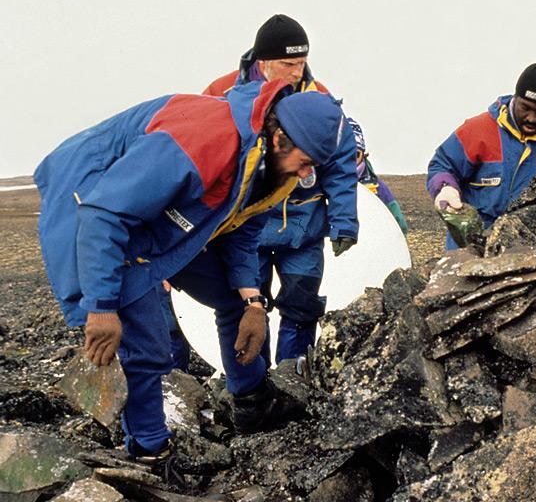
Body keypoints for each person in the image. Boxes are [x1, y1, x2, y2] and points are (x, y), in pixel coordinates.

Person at [34, 80, 358, 477]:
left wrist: (252, 301)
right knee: (146, 344)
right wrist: (100, 306)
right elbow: (105, 214)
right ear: (279, 138)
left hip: (157, 216)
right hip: (90, 206)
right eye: (305, 162)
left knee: (232, 299)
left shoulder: (271, 168)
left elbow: (242, 233)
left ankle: (252, 401)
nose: (307, 174)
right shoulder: (205, 141)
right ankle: (150, 454)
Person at [203, 14, 403, 364]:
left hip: (304, 227)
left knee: (303, 305)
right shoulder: (223, 94)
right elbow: (203, 160)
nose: (298, 72)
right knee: (249, 307)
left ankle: (292, 378)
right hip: (248, 231)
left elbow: (341, 165)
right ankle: (256, 383)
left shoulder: (320, 98)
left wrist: (344, 222)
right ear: (263, 61)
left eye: (302, 63)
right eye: (288, 64)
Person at [426, 63, 536, 249]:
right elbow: (442, 165)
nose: (532, 118)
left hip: (525, 254)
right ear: (515, 98)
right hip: (468, 252)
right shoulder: (478, 130)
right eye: (526, 107)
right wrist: (445, 187)